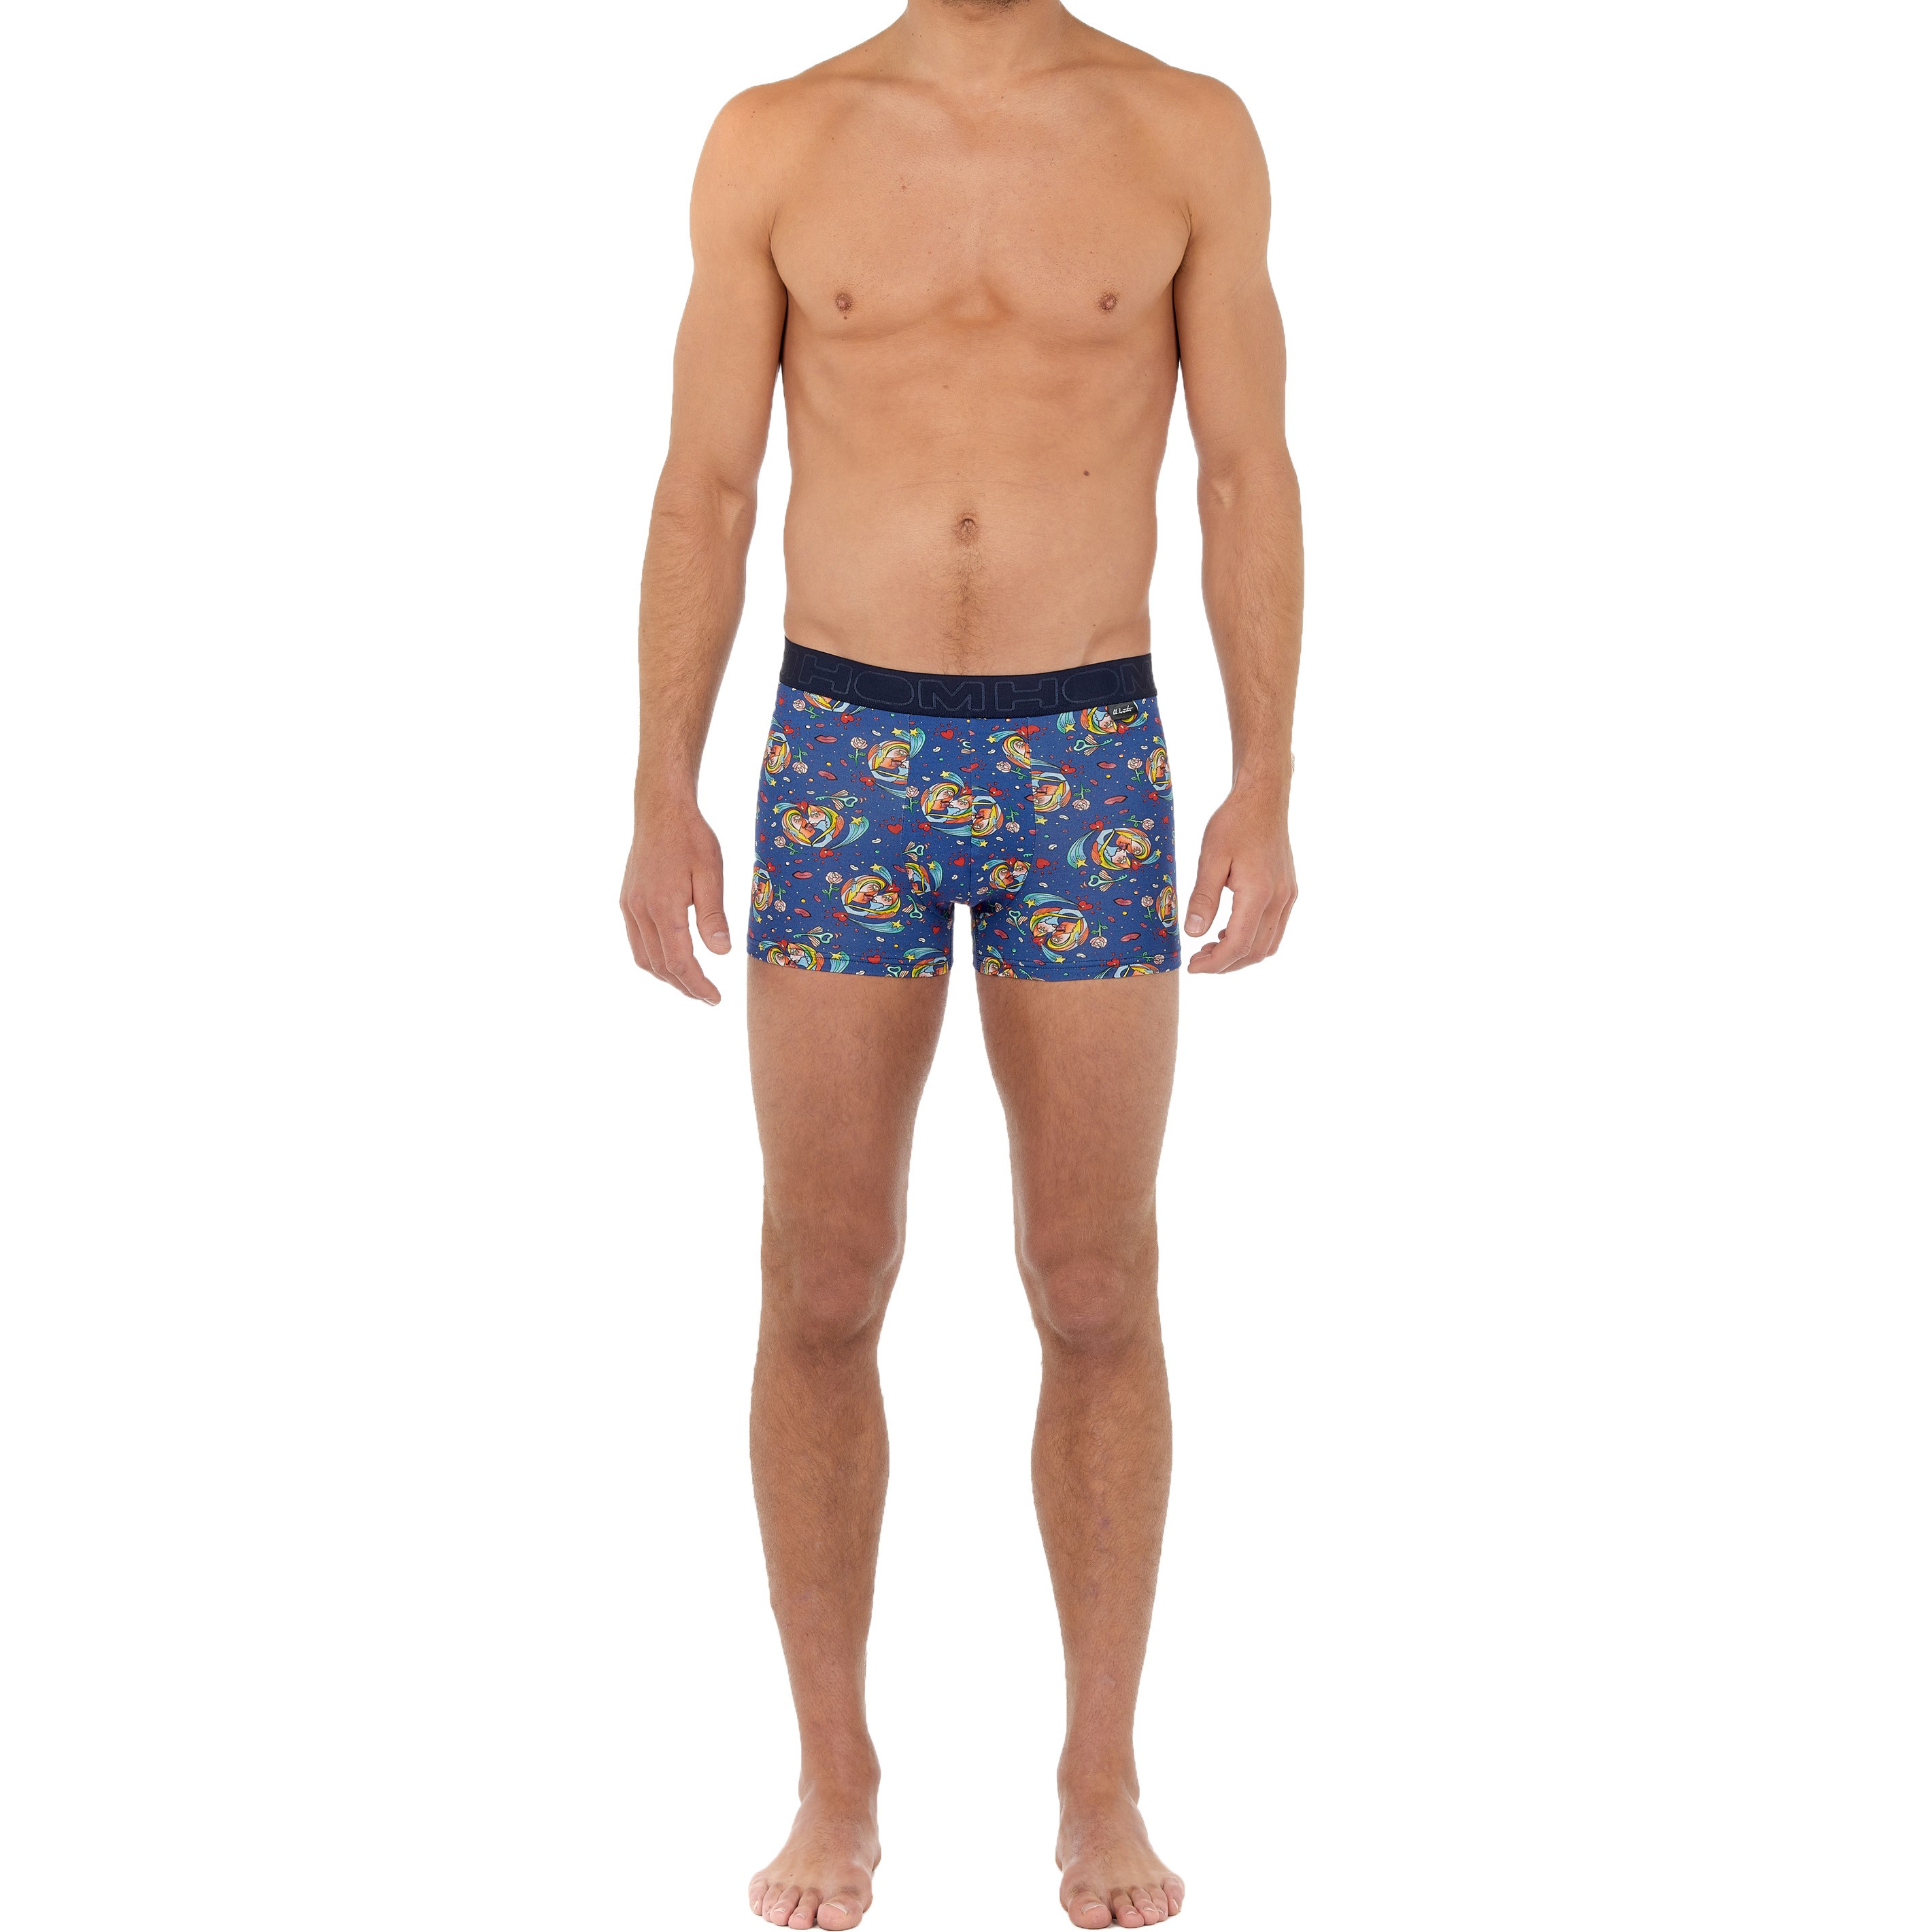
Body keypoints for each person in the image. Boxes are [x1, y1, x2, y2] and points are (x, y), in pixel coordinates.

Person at [618, 3, 1301, 1925]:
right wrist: (662, 783)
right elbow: (705, 485)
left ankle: (1101, 1776)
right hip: (844, 744)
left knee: (1096, 1283)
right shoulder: (776, 134)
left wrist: (1265, 773)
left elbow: (1245, 470)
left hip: (1091, 750)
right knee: (821, 1278)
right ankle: (833, 1777)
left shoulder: (1184, 128)